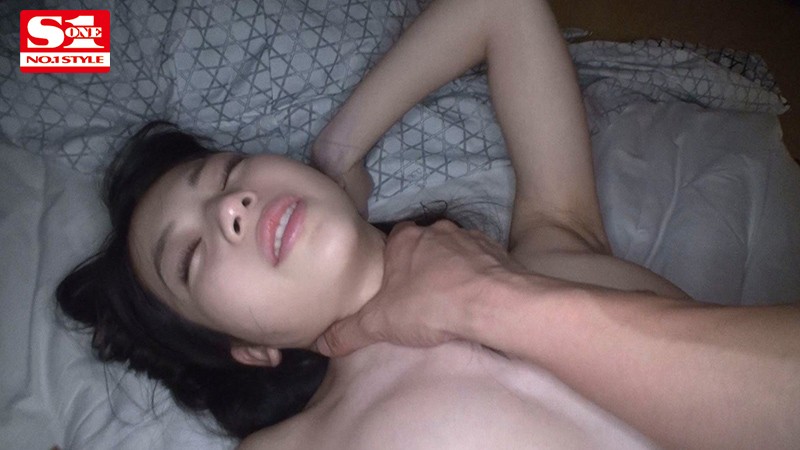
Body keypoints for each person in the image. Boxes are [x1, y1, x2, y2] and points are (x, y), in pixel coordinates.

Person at [54, 0, 787, 448]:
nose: (228, 208)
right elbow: (28, 38)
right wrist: (47, 29)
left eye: (229, 173)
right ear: (249, 351)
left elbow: (501, 8)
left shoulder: (553, 243)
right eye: (190, 257)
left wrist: (338, 152)